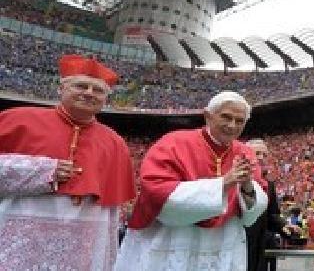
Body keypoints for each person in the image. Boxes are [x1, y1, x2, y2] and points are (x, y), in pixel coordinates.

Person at [0, 54, 136, 269]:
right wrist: (42, 171)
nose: (89, 93)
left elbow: (111, 211)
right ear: (61, 89)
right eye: (81, 86)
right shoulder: (17, 119)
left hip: (84, 239)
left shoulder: (115, 142)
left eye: (98, 90)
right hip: (20, 230)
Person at [115, 91, 268, 271]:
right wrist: (224, 183)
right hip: (174, 238)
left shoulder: (245, 152)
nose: (232, 125)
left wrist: (247, 186)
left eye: (239, 121)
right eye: (226, 117)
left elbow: (252, 213)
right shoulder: (173, 143)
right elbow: (156, 192)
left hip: (223, 241)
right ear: (208, 116)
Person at [245, 139, 296, 271]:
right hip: (239, 245)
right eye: (257, 153)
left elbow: (272, 214)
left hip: (259, 248)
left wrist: (284, 226)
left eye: (264, 154)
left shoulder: (269, 184)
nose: (261, 158)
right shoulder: (236, 180)